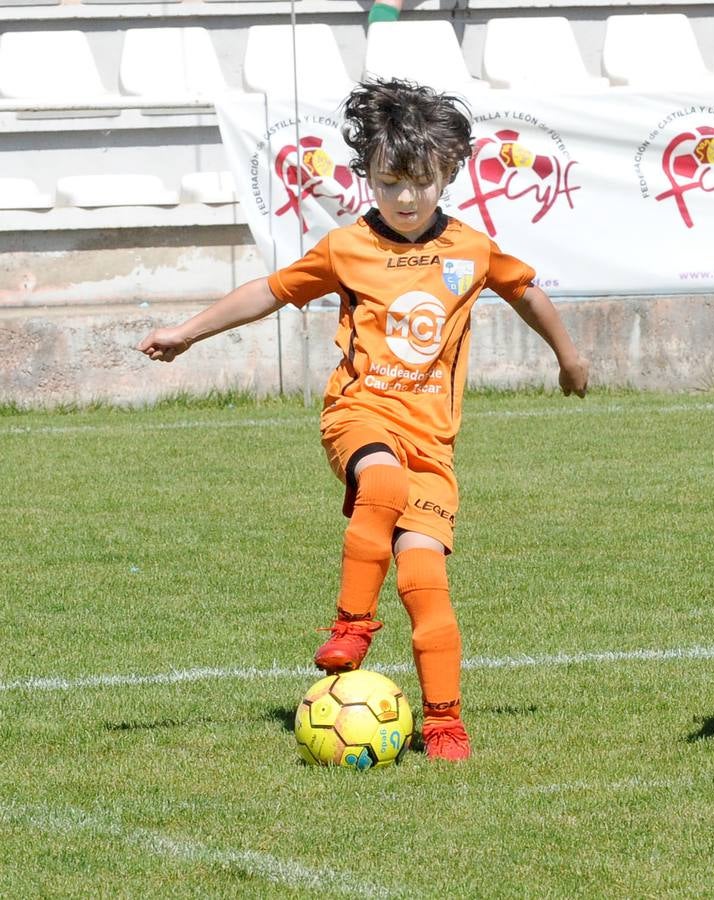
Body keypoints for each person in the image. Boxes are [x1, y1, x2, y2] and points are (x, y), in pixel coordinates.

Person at [138, 78, 590, 762]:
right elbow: (268, 290)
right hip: (359, 416)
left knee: (425, 585)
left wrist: (568, 356)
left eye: (420, 183)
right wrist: (188, 331)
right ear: (368, 180)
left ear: (449, 174)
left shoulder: (471, 250)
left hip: (433, 449)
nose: (405, 200)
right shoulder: (346, 247)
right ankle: (351, 624)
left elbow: (526, 293)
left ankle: (443, 722)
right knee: (378, 485)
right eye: (388, 184)